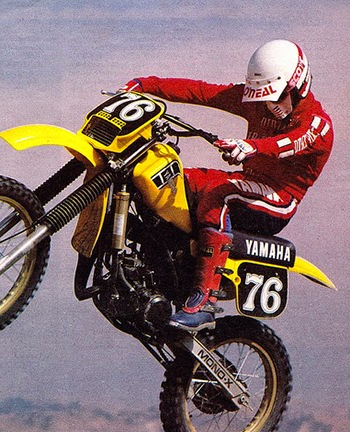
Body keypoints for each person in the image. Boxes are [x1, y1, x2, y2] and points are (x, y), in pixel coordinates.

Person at [122, 39, 333, 331]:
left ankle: (203, 301)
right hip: (247, 183)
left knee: (219, 194)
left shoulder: (317, 124)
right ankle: (161, 268)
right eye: (264, 97)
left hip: (278, 200)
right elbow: (202, 91)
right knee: (169, 178)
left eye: (277, 96)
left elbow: (290, 143)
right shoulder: (257, 102)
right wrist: (144, 85)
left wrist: (251, 147)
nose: (270, 105)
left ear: (299, 85)